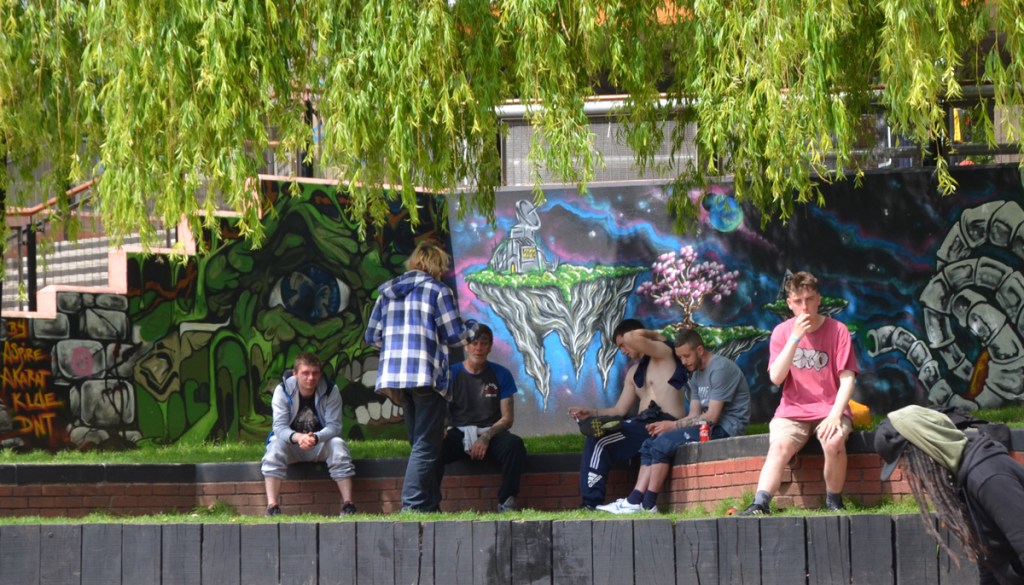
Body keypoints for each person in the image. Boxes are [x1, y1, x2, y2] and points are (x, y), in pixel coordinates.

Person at [365, 240, 479, 512]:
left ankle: (429, 504)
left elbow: (372, 337)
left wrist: (397, 346)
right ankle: (413, 506)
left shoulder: (387, 293)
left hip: (395, 377)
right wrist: (472, 329)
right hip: (426, 375)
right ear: (436, 266)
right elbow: (455, 335)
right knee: (427, 445)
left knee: (420, 443)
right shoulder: (438, 291)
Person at [739, 271, 858, 515]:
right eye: (798, 301)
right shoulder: (782, 333)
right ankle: (760, 504)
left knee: (833, 441)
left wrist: (836, 415)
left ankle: (834, 503)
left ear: (819, 299)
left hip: (830, 408)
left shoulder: (838, 331)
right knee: (779, 447)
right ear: (789, 304)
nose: (805, 307)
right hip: (793, 410)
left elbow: (848, 379)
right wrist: (795, 337)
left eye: (810, 299)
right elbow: (776, 377)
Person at [598, 328, 750, 513]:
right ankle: (634, 500)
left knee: (663, 442)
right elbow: (694, 413)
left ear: (700, 350)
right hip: (706, 427)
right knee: (649, 443)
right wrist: (669, 427)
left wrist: (672, 426)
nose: (683, 362)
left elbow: (711, 417)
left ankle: (648, 504)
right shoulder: (696, 375)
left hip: (726, 428)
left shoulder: (720, 369)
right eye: (681, 357)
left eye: (687, 356)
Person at [876, 405, 1024, 585]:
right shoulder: (960, 479)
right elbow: (989, 560)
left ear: (927, 448)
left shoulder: (987, 477)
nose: (908, 471)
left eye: (908, 462)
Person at [567, 320, 689, 510]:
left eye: (622, 345)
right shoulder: (634, 372)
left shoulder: (664, 354)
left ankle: (590, 503)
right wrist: (591, 412)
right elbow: (619, 411)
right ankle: (592, 502)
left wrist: (656, 335)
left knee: (599, 442)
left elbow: (632, 336)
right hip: (640, 425)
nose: (622, 350)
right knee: (597, 436)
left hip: (664, 423)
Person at [436, 324, 526, 513]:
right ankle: (431, 503)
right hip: (457, 433)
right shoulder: (451, 374)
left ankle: (507, 501)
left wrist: (486, 437)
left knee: (514, 445)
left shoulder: (502, 374)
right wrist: (440, 428)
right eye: (474, 343)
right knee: (432, 448)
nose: (478, 348)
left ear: (490, 346)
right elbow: (440, 411)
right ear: (466, 346)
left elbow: (507, 419)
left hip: (490, 434)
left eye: (483, 343)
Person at [261, 352, 356, 516]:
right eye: (305, 373)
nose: (311, 378)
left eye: (315, 373)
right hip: (292, 445)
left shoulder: (331, 390)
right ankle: (272, 506)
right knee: (275, 445)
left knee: (338, 445)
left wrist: (315, 437)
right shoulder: (282, 390)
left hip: (319, 443)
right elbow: (279, 427)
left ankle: (348, 504)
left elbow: (334, 426)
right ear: (295, 373)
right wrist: (299, 437)